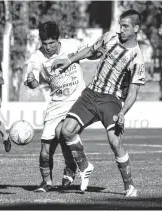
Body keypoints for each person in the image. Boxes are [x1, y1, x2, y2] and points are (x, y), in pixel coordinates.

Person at [52, 10, 145, 197]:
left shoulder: (137, 58)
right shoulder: (110, 37)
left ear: (136, 28)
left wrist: (122, 113)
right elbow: (90, 51)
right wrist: (69, 60)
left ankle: (130, 186)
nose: (122, 29)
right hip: (91, 93)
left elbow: (133, 92)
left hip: (111, 100)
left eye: (126, 26)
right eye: (121, 25)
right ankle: (84, 166)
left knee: (115, 141)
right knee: (65, 130)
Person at [24, 21, 86, 192]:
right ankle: (46, 182)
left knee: (63, 132)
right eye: (45, 44)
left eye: (51, 43)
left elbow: (92, 52)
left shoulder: (72, 45)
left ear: (58, 39)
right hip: (56, 103)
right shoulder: (37, 57)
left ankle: (70, 167)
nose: (48, 47)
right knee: (45, 149)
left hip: (77, 99)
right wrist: (31, 82)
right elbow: (34, 83)